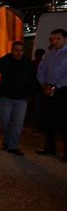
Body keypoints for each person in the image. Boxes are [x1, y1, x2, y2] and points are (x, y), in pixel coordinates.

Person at [0, 41, 36, 155]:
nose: (18, 53)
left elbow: (33, 79)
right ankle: (7, 140)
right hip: (6, 97)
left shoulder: (27, 63)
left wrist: (30, 94)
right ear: (12, 50)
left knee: (18, 123)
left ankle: (13, 146)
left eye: (21, 50)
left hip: (22, 98)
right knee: (4, 121)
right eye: (16, 50)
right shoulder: (5, 60)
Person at [35, 29, 67, 163]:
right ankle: (50, 147)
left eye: (57, 38)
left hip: (63, 91)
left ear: (65, 39)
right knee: (48, 120)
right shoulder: (49, 54)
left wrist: (55, 87)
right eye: (52, 39)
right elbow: (41, 70)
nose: (54, 41)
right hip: (47, 90)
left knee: (64, 122)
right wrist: (44, 85)